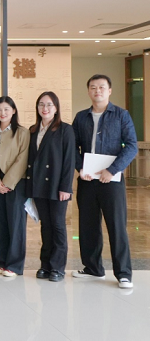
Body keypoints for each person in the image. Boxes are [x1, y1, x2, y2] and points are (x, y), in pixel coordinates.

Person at [72, 75, 137, 289]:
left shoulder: (121, 115)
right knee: (88, 226)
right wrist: (80, 168)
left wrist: (112, 169)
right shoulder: (81, 117)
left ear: (109, 90)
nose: (97, 90)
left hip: (112, 180)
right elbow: (72, 147)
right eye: (93, 87)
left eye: (101, 87)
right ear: (88, 91)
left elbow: (131, 146)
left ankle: (124, 273)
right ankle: (93, 268)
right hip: (87, 180)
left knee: (116, 226)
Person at [25, 92, 75, 282]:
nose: (45, 108)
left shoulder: (65, 130)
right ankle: (45, 265)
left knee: (58, 225)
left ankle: (58, 267)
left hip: (56, 186)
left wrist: (66, 187)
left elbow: (69, 161)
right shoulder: (32, 130)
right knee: (45, 226)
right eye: (41, 104)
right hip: (39, 186)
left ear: (56, 108)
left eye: (49, 105)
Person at [0, 96, 29, 277]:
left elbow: (22, 159)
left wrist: (8, 182)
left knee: (16, 224)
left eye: (6, 109)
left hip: (16, 183)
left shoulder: (23, 132)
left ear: (13, 111)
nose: (2, 113)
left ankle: (15, 265)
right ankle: (2, 262)